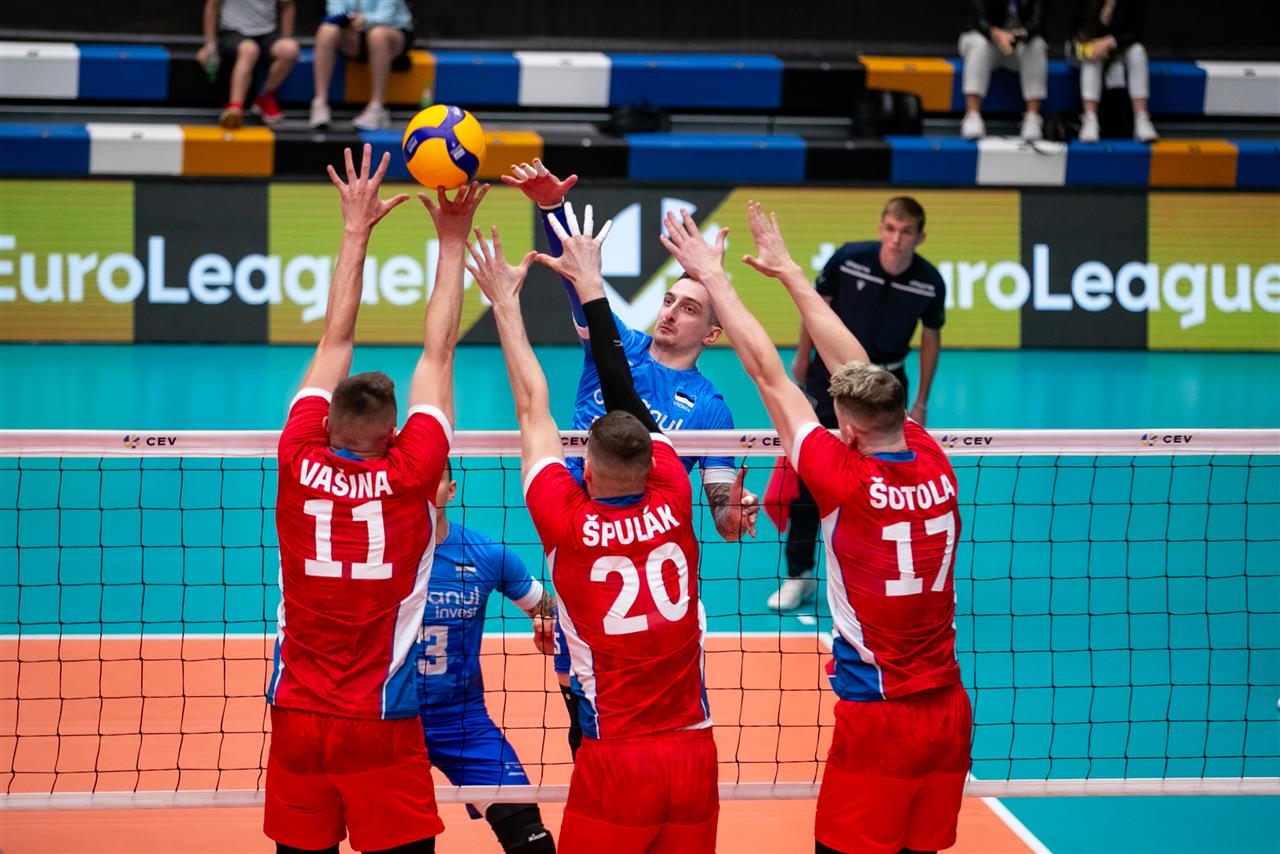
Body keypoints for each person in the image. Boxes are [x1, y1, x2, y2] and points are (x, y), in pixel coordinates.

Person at [662, 201, 970, 854]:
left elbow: (768, 374)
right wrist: (790, 273)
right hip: (949, 711)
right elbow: (860, 371)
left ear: (848, 430)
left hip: (880, 718)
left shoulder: (842, 476)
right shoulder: (932, 455)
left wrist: (715, 278)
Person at [465, 206, 719, 853]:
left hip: (618, 758)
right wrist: (590, 285)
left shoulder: (566, 522)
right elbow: (624, 391)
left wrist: (505, 304)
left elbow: (533, 408)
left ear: (587, 465)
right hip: (695, 750)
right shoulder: (675, 494)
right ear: (652, 459)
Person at [266, 143, 487, 854]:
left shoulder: (297, 456)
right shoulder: (414, 470)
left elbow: (335, 338)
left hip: (296, 714)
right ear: (394, 433)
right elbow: (438, 354)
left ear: (324, 422)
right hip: (380, 720)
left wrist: (355, 229)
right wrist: (450, 241)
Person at [502, 160, 757, 752]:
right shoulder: (618, 347)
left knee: (646, 704)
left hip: (640, 564)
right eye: (669, 300)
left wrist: (734, 511)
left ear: (712, 333)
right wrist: (551, 208)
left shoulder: (712, 409)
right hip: (577, 543)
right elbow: (578, 283)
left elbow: (722, 515)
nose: (669, 311)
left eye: (689, 308)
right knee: (580, 702)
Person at [770, 196, 944, 612]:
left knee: (883, 479)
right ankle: (799, 574)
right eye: (891, 229)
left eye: (906, 232)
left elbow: (931, 338)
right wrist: (801, 357)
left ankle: (873, 570)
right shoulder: (848, 260)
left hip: (888, 384)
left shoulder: (929, 282)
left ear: (919, 237)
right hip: (830, 380)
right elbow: (817, 308)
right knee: (809, 478)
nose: (896, 239)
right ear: (881, 228)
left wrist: (921, 401)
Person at [417, 459, 557, 854]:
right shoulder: (377, 557)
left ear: (451, 490)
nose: (424, 488)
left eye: (434, 479)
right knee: (406, 841)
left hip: (462, 720)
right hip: (392, 719)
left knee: (531, 839)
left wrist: (549, 625)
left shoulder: (485, 554)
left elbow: (546, 609)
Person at [310, 0, 415, 131]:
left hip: (392, 32)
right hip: (353, 32)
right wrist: (347, 19)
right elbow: (334, 11)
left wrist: (364, 20)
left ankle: (377, 107)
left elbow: (386, 17)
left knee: (378, 34)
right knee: (326, 29)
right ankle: (320, 102)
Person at [197, 0, 299, 128]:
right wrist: (210, 45)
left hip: (267, 33)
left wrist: (286, 37)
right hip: (233, 32)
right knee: (249, 50)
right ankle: (235, 107)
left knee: (290, 49)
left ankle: (265, 97)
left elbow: (287, 5)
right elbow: (212, 6)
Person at [958, 0, 1050, 140]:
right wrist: (996, 34)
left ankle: (1033, 118)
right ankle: (972, 115)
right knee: (979, 44)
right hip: (985, 38)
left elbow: (1038, 22)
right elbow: (978, 19)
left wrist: (1018, 35)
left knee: (1037, 45)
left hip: (1017, 43)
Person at [1071, 0, 1159, 142]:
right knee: (1092, 56)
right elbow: (1078, 33)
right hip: (1088, 49)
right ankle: (1089, 118)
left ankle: (1141, 118)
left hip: (1119, 47)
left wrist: (1111, 41)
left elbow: (1135, 33)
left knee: (1137, 52)